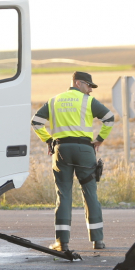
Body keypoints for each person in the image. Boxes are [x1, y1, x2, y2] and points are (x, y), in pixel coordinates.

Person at [31, 71, 115, 251]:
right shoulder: (88, 101)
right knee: (90, 193)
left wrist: (48, 140)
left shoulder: (54, 101)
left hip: (61, 150)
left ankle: (62, 242)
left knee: (63, 194)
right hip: (85, 150)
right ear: (78, 83)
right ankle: (98, 241)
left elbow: (36, 121)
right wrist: (100, 139)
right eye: (88, 85)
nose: (90, 90)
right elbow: (109, 118)